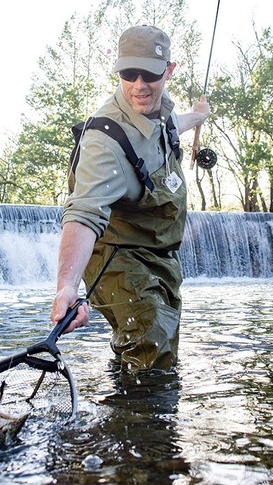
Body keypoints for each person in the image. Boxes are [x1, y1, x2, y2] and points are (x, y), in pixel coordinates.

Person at [50, 24, 210, 372]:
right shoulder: (104, 142)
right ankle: (142, 425)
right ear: (119, 70)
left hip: (159, 256)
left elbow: (171, 127)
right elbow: (83, 214)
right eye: (129, 73)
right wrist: (67, 287)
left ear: (169, 71)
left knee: (158, 348)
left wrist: (199, 115)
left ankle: (129, 412)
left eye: (150, 74)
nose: (139, 85)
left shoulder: (162, 113)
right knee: (152, 343)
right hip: (114, 255)